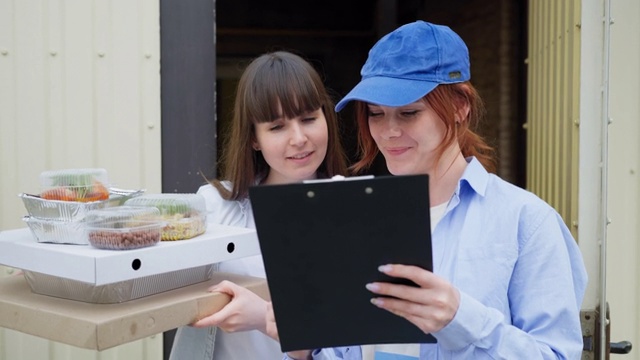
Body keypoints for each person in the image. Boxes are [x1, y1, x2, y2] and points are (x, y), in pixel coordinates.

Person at [265, 20, 588, 359]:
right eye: (375, 113)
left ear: (461, 105)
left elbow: (556, 354)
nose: (388, 131)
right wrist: (305, 350)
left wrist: (460, 317)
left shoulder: (526, 221)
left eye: (408, 113)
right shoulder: (357, 217)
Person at [169, 50, 348, 360]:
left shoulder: (353, 207)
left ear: (326, 118)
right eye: (277, 127)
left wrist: (264, 315)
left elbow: (355, 336)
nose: (298, 138)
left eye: (308, 119)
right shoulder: (213, 208)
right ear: (254, 137)